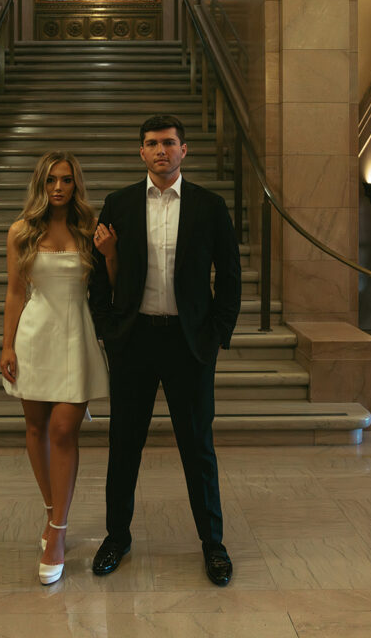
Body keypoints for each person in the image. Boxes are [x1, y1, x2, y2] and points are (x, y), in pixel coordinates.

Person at [89, 113, 241, 587]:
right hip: (134, 342)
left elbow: (231, 276)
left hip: (188, 343)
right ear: (141, 151)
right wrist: (110, 328)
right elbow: (99, 272)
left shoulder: (210, 205)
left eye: (170, 143)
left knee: (198, 447)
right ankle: (117, 536)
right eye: (152, 143)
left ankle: (212, 545)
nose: (161, 150)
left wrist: (216, 334)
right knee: (124, 445)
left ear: (184, 150)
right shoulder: (118, 203)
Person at [0, 151, 109, 585]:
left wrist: (110, 253)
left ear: (76, 184)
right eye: (51, 181)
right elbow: (14, 293)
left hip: (76, 333)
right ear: (40, 185)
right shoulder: (21, 232)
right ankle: (53, 515)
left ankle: (58, 533)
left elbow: (109, 284)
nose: (59, 187)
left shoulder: (88, 230)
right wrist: (7, 345)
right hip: (35, 335)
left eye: (66, 180)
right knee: (35, 428)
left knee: (65, 429)